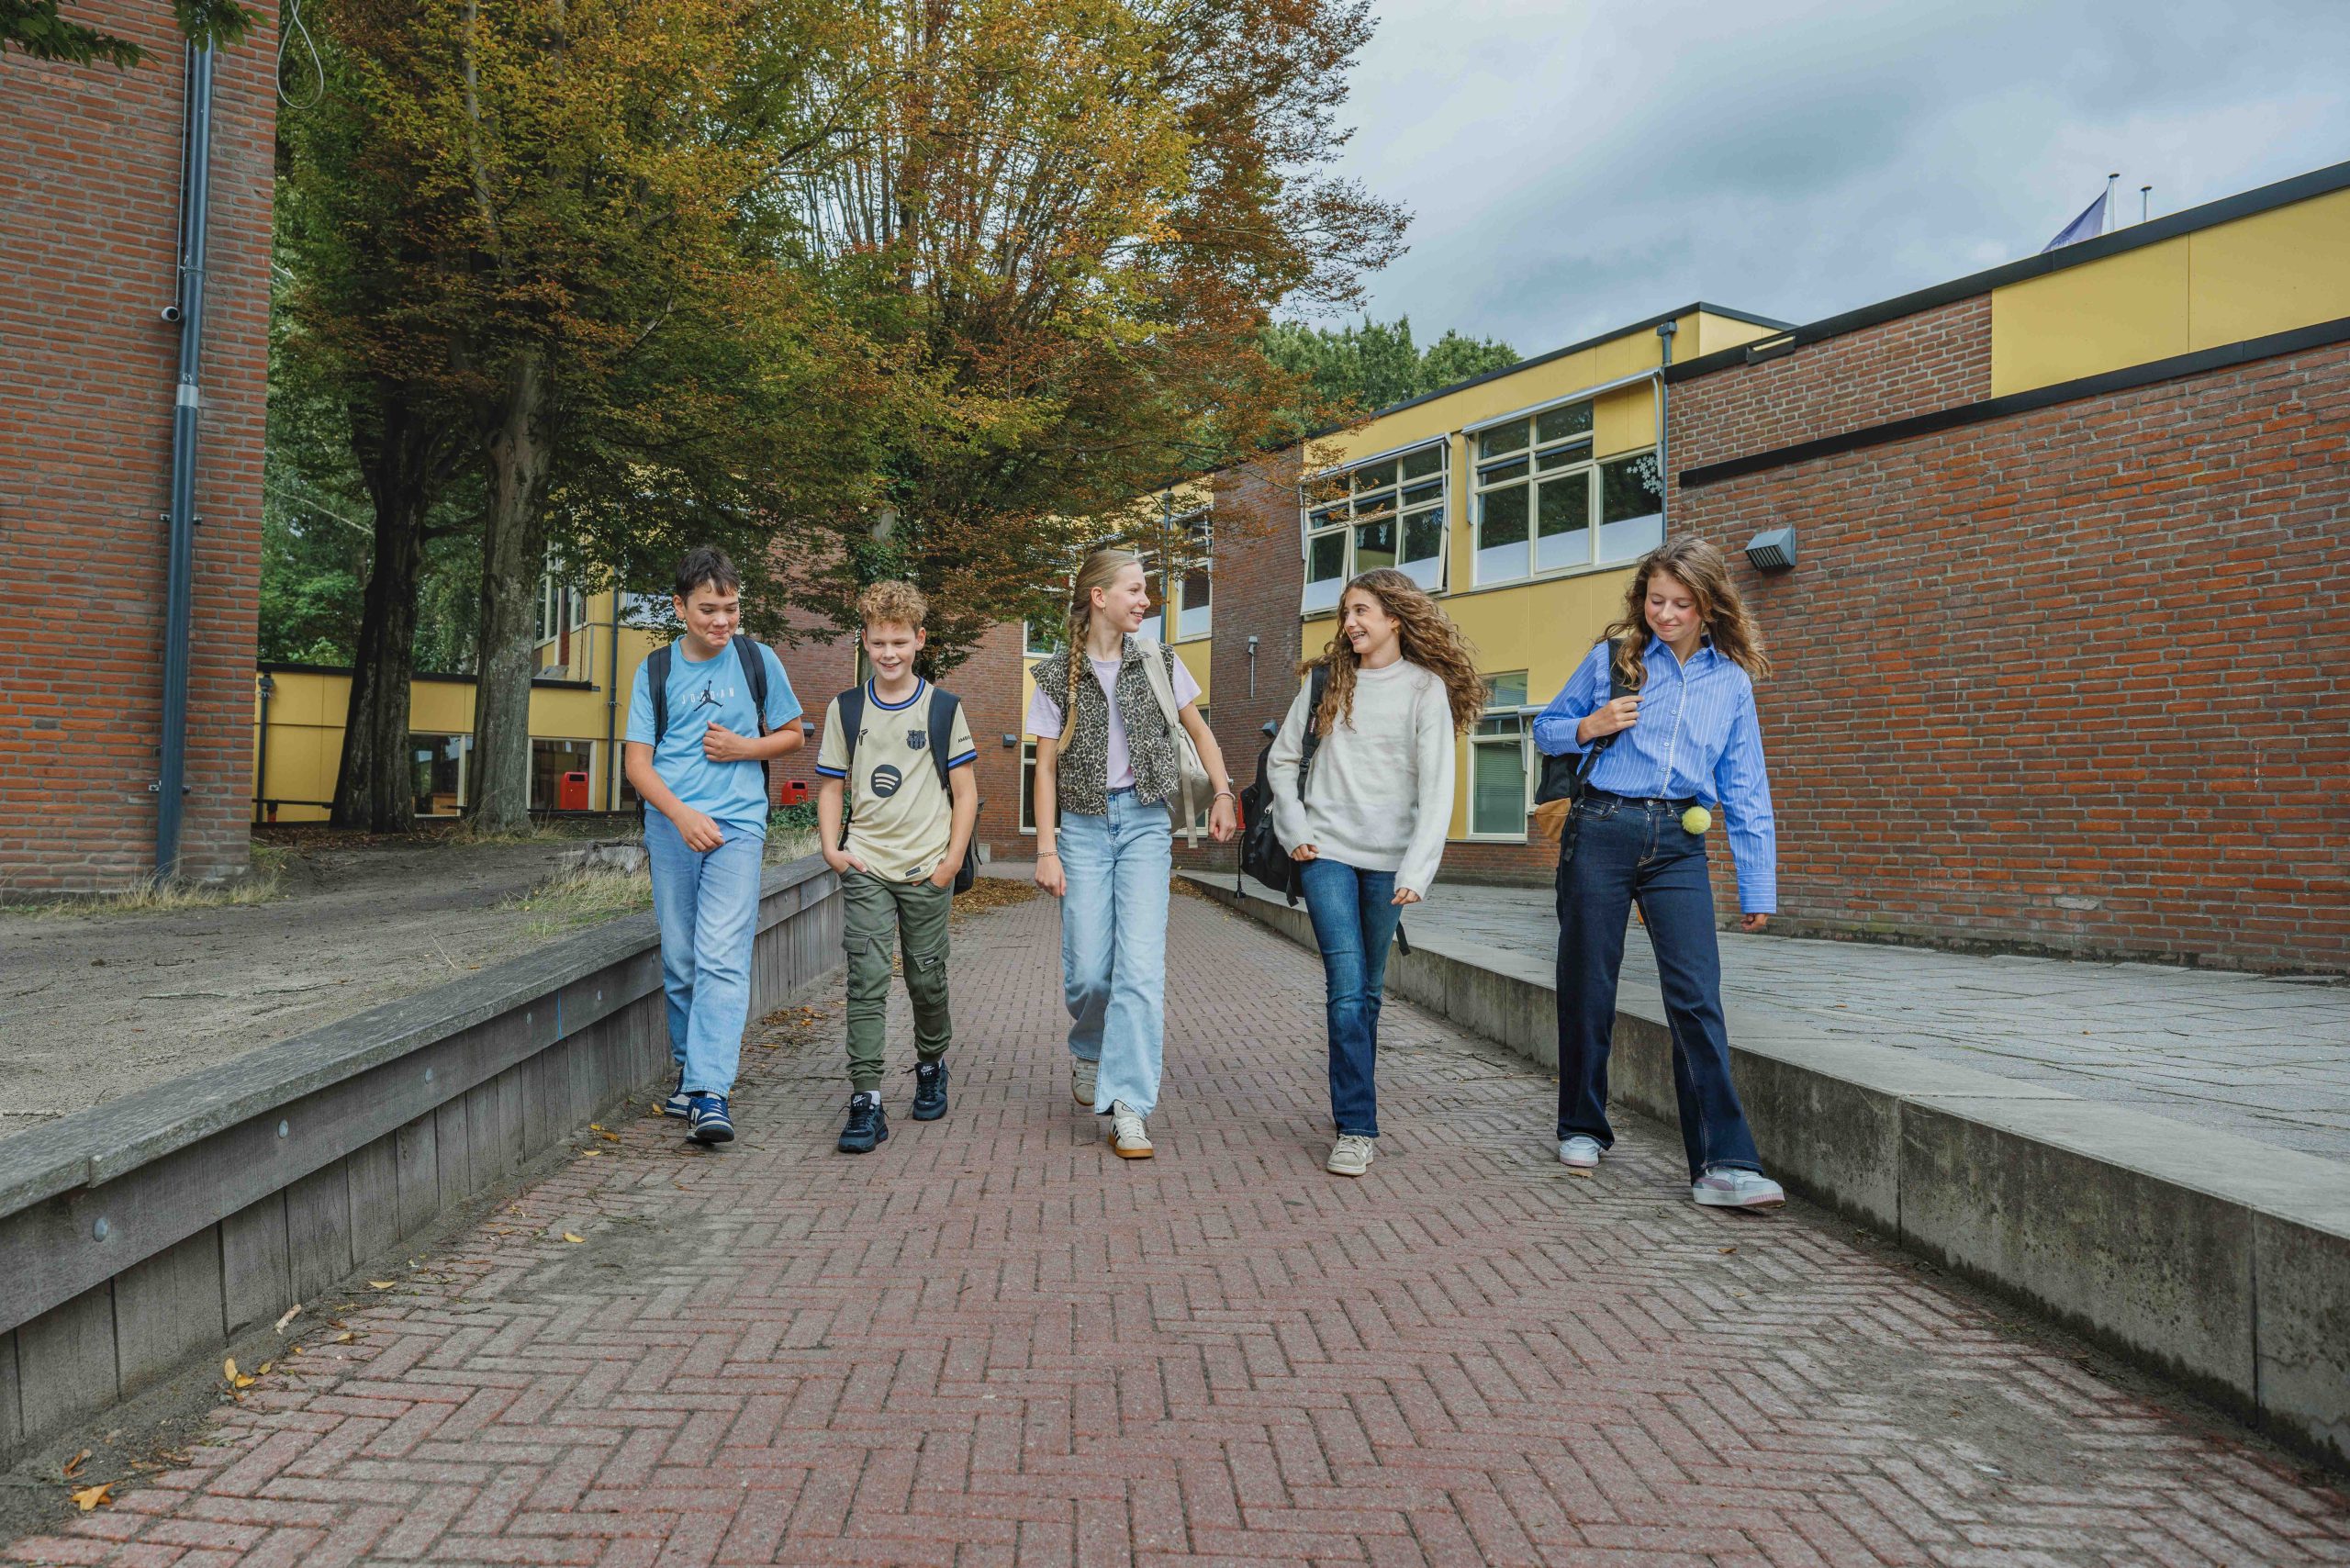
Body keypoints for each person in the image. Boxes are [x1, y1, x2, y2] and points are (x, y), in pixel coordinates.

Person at [1532, 537, 1785, 1210]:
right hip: (1602, 829)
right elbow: (1545, 728)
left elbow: (1747, 785)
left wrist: (1758, 884)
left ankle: (1723, 1163)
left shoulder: (1729, 680)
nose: (1665, 614)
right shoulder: (1611, 659)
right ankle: (1582, 1125)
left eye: (1680, 603)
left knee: (1697, 997)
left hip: (1679, 842)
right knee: (1588, 982)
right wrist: (1590, 723)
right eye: (1655, 600)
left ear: (1708, 605)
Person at [1267, 568, 1483, 1177]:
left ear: (1395, 618)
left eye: (1362, 610)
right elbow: (1283, 763)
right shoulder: (1324, 682)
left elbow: (1438, 788)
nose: (1351, 623)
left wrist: (1419, 867)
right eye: (1347, 612)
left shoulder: (1424, 689)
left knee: (1366, 992)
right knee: (1345, 988)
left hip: (1390, 865)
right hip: (1327, 853)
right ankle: (1357, 1127)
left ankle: (1353, 1101)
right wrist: (1296, 829)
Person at [1029, 547, 1237, 1159]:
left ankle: (1128, 1106)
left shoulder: (1160, 659)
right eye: (1135, 590)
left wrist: (1223, 792)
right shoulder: (1054, 673)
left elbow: (1198, 731)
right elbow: (1042, 769)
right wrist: (1047, 849)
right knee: (1091, 971)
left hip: (1147, 823)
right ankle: (1089, 1046)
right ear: (1099, 596)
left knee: (1140, 970)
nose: (1147, 600)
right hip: (1085, 828)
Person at [623, 546, 805, 1146]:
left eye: (730, 608)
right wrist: (678, 815)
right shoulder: (654, 670)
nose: (722, 621)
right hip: (672, 829)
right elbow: (637, 765)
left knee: (722, 955)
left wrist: (743, 750)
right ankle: (688, 1069)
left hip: (739, 829)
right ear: (679, 608)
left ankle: (709, 1092)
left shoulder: (758, 660)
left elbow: (791, 735)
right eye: (708, 609)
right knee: (681, 959)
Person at [813, 581, 979, 1154]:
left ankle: (932, 1063)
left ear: (919, 641)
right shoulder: (846, 708)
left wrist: (950, 862)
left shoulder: (943, 708)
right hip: (867, 867)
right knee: (866, 983)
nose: (889, 652)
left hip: (926, 868)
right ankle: (866, 1100)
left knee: (926, 980)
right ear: (864, 641)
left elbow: (966, 791)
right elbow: (831, 785)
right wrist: (834, 851)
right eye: (879, 641)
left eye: (900, 642)